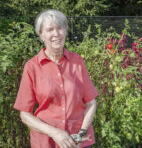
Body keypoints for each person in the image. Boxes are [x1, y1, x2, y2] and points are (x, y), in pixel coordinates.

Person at [13, 9, 98, 148]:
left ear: (65, 31)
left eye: (60, 28)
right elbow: (25, 114)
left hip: (78, 142)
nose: (56, 34)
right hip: (46, 143)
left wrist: (81, 134)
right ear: (41, 35)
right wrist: (55, 133)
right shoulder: (32, 67)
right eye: (50, 29)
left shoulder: (77, 61)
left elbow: (91, 103)